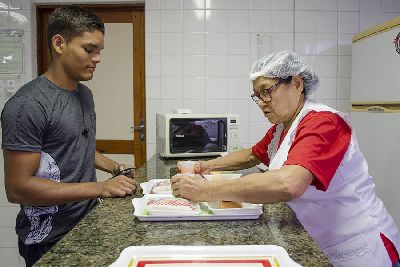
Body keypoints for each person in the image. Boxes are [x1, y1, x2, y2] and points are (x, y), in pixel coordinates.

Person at [171, 50, 400, 266]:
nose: (261, 102)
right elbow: (252, 154)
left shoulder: (323, 123)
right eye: (257, 95)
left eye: (266, 91)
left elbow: (289, 183)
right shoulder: (284, 127)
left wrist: (205, 191)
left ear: (297, 83)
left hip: (362, 245)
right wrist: (207, 165)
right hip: (321, 237)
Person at [1, 5, 136, 267]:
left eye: (99, 51)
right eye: (89, 49)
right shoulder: (28, 105)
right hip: (48, 238)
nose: (97, 58)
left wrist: (116, 168)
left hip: (86, 220)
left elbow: (76, 145)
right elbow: (17, 188)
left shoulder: (84, 95)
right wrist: (99, 188)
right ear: (59, 43)